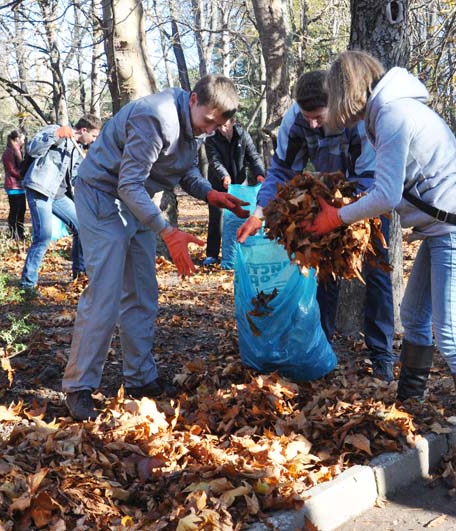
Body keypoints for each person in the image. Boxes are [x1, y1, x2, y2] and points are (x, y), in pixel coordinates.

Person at [307, 51, 456, 488]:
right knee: (413, 317)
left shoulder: (393, 113)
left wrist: (335, 218)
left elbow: (387, 195)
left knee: (451, 337)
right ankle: (410, 410)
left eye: (334, 94)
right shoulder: (388, 111)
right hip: (441, 232)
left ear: (346, 89)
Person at [63, 76, 250, 421]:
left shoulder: (196, 124)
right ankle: (79, 387)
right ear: (193, 99)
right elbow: (128, 183)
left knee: (142, 292)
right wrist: (167, 231)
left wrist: (210, 193)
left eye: (217, 125)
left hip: (136, 200)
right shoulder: (155, 117)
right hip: (102, 194)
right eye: (208, 120)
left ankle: (140, 379)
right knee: (105, 294)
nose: (211, 129)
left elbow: (184, 169)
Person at [236, 70, 396, 381]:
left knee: (376, 272)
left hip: (367, 199)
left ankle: (382, 355)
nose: (311, 124)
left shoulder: (357, 119)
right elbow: (282, 170)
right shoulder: (295, 120)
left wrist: (345, 214)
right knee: (324, 274)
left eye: (318, 117)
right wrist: (258, 213)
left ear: (335, 105)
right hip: (325, 201)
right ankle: (321, 348)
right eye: (306, 117)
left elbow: (369, 176)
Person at [19, 116, 102, 291]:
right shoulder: (54, 130)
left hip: (59, 195)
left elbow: (75, 177)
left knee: (83, 227)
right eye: (94, 136)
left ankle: (80, 274)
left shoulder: (78, 148)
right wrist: (56, 135)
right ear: (84, 130)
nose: (94, 140)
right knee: (43, 236)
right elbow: (33, 149)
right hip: (40, 189)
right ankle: (28, 285)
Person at [203, 117, 266, 266]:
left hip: (239, 182)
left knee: (240, 215)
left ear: (232, 122)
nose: (222, 129)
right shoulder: (211, 138)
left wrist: (259, 173)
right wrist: (224, 176)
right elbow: (215, 161)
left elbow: (253, 156)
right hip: (218, 183)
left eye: (225, 125)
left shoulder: (242, 135)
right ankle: (212, 254)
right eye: (220, 126)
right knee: (217, 217)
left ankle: (241, 250)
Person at [1, 130, 26, 241]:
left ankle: (20, 234)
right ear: (17, 139)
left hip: (20, 186)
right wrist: (23, 175)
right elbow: (12, 169)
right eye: (22, 139)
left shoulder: (18, 151)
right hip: (13, 186)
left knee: (22, 210)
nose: (23, 141)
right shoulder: (9, 152)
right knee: (15, 210)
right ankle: (13, 234)